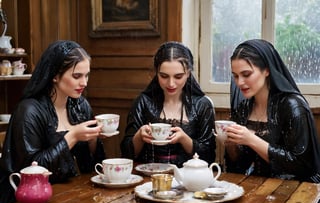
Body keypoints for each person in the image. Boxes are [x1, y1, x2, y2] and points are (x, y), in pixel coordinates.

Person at [0, 40, 106, 203]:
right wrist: (72, 137)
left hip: (73, 196)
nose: (84, 83)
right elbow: (31, 171)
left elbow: (92, 168)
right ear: (55, 75)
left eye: (87, 75)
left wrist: (93, 140)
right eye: (77, 76)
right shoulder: (29, 111)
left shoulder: (81, 105)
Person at [224, 39, 320, 182]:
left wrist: (251, 140)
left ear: (267, 70)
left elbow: (302, 166)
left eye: (246, 74)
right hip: (257, 187)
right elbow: (239, 166)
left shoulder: (292, 106)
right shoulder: (243, 108)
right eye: (235, 76)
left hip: (297, 190)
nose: (239, 82)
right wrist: (231, 145)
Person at [120, 41, 216, 167]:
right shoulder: (143, 102)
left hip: (188, 179)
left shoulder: (202, 105)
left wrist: (184, 139)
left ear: (188, 73)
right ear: (156, 73)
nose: (171, 84)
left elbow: (209, 156)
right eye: (164, 76)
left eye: (178, 76)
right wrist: (139, 136)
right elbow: (126, 154)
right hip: (148, 178)